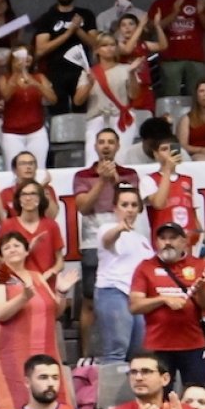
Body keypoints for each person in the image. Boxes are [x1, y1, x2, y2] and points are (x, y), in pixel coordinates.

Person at [0, 232, 76, 409]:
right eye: (7, 247)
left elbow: (55, 312)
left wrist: (61, 293)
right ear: (2, 255)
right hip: (12, 352)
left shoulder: (36, 276)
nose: (12, 249)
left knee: (51, 403)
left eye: (17, 245)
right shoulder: (1, 276)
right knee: (17, 405)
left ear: (27, 251)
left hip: (45, 350)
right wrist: (23, 298)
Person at [74, 130, 141, 358]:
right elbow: (83, 207)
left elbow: (132, 202)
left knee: (127, 297)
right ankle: (85, 354)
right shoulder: (83, 175)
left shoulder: (129, 174)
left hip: (126, 242)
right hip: (94, 241)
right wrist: (101, 181)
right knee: (90, 301)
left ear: (118, 145)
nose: (106, 146)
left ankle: (126, 352)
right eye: (101, 142)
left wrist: (115, 180)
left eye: (110, 142)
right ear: (95, 146)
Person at [129, 222, 205, 389]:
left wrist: (203, 288)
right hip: (157, 345)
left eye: (173, 238)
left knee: (196, 393)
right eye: (162, 238)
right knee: (159, 397)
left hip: (193, 344)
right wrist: (163, 299)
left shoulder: (200, 266)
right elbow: (134, 306)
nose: (167, 242)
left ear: (184, 241)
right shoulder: (145, 267)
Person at [95, 185, 151, 364]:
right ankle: (112, 392)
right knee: (116, 350)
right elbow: (107, 240)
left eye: (134, 205)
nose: (130, 209)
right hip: (113, 291)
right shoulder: (107, 228)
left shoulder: (142, 239)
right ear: (115, 208)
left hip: (137, 297)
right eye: (125, 204)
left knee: (138, 351)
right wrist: (119, 228)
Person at [33, 0, 98, 115]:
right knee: (58, 112)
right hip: (56, 71)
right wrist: (69, 33)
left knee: (83, 111)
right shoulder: (47, 18)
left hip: (81, 71)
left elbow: (95, 44)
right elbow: (40, 49)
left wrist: (78, 30)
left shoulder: (86, 14)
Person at [149, 0, 205, 97]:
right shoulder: (161, 3)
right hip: (170, 59)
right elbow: (153, 28)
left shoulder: (196, 2)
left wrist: (201, 13)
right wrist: (174, 13)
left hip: (195, 58)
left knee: (199, 96)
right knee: (171, 95)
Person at [73, 32, 140, 157]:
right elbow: (78, 101)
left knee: (122, 158)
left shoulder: (126, 69)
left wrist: (132, 74)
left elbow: (134, 95)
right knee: (93, 158)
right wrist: (89, 84)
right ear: (97, 50)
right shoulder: (89, 73)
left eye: (112, 45)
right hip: (96, 118)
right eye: (104, 45)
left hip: (121, 118)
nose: (109, 48)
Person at [0, 47, 55, 171]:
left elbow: (53, 99)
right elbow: (6, 96)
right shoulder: (4, 79)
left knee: (39, 169)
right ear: (12, 61)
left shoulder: (39, 77)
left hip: (36, 131)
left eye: (28, 55)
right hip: (12, 133)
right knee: (13, 169)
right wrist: (17, 73)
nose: (25, 58)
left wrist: (36, 84)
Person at [0, 181, 64, 279]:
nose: (28, 198)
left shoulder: (51, 225)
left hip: (46, 286)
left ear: (40, 198)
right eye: (24, 194)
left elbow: (60, 262)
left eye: (33, 194)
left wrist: (51, 272)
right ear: (18, 199)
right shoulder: (8, 225)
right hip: (16, 285)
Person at [0, 152, 59, 224]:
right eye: (23, 164)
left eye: (31, 163)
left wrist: (41, 190)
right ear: (14, 169)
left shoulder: (47, 189)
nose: (28, 167)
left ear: (36, 167)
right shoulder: (6, 193)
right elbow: (1, 221)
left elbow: (51, 216)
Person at [117, 11, 165, 116]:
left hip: (145, 88)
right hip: (127, 89)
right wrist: (140, 27)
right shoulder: (118, 44)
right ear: (119, 29)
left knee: (147, 116)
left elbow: (163, 45)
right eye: (123, 25)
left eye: (131, 24)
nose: (127, 28)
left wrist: (158, 26)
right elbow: (127, 50)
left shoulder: (143, 44)